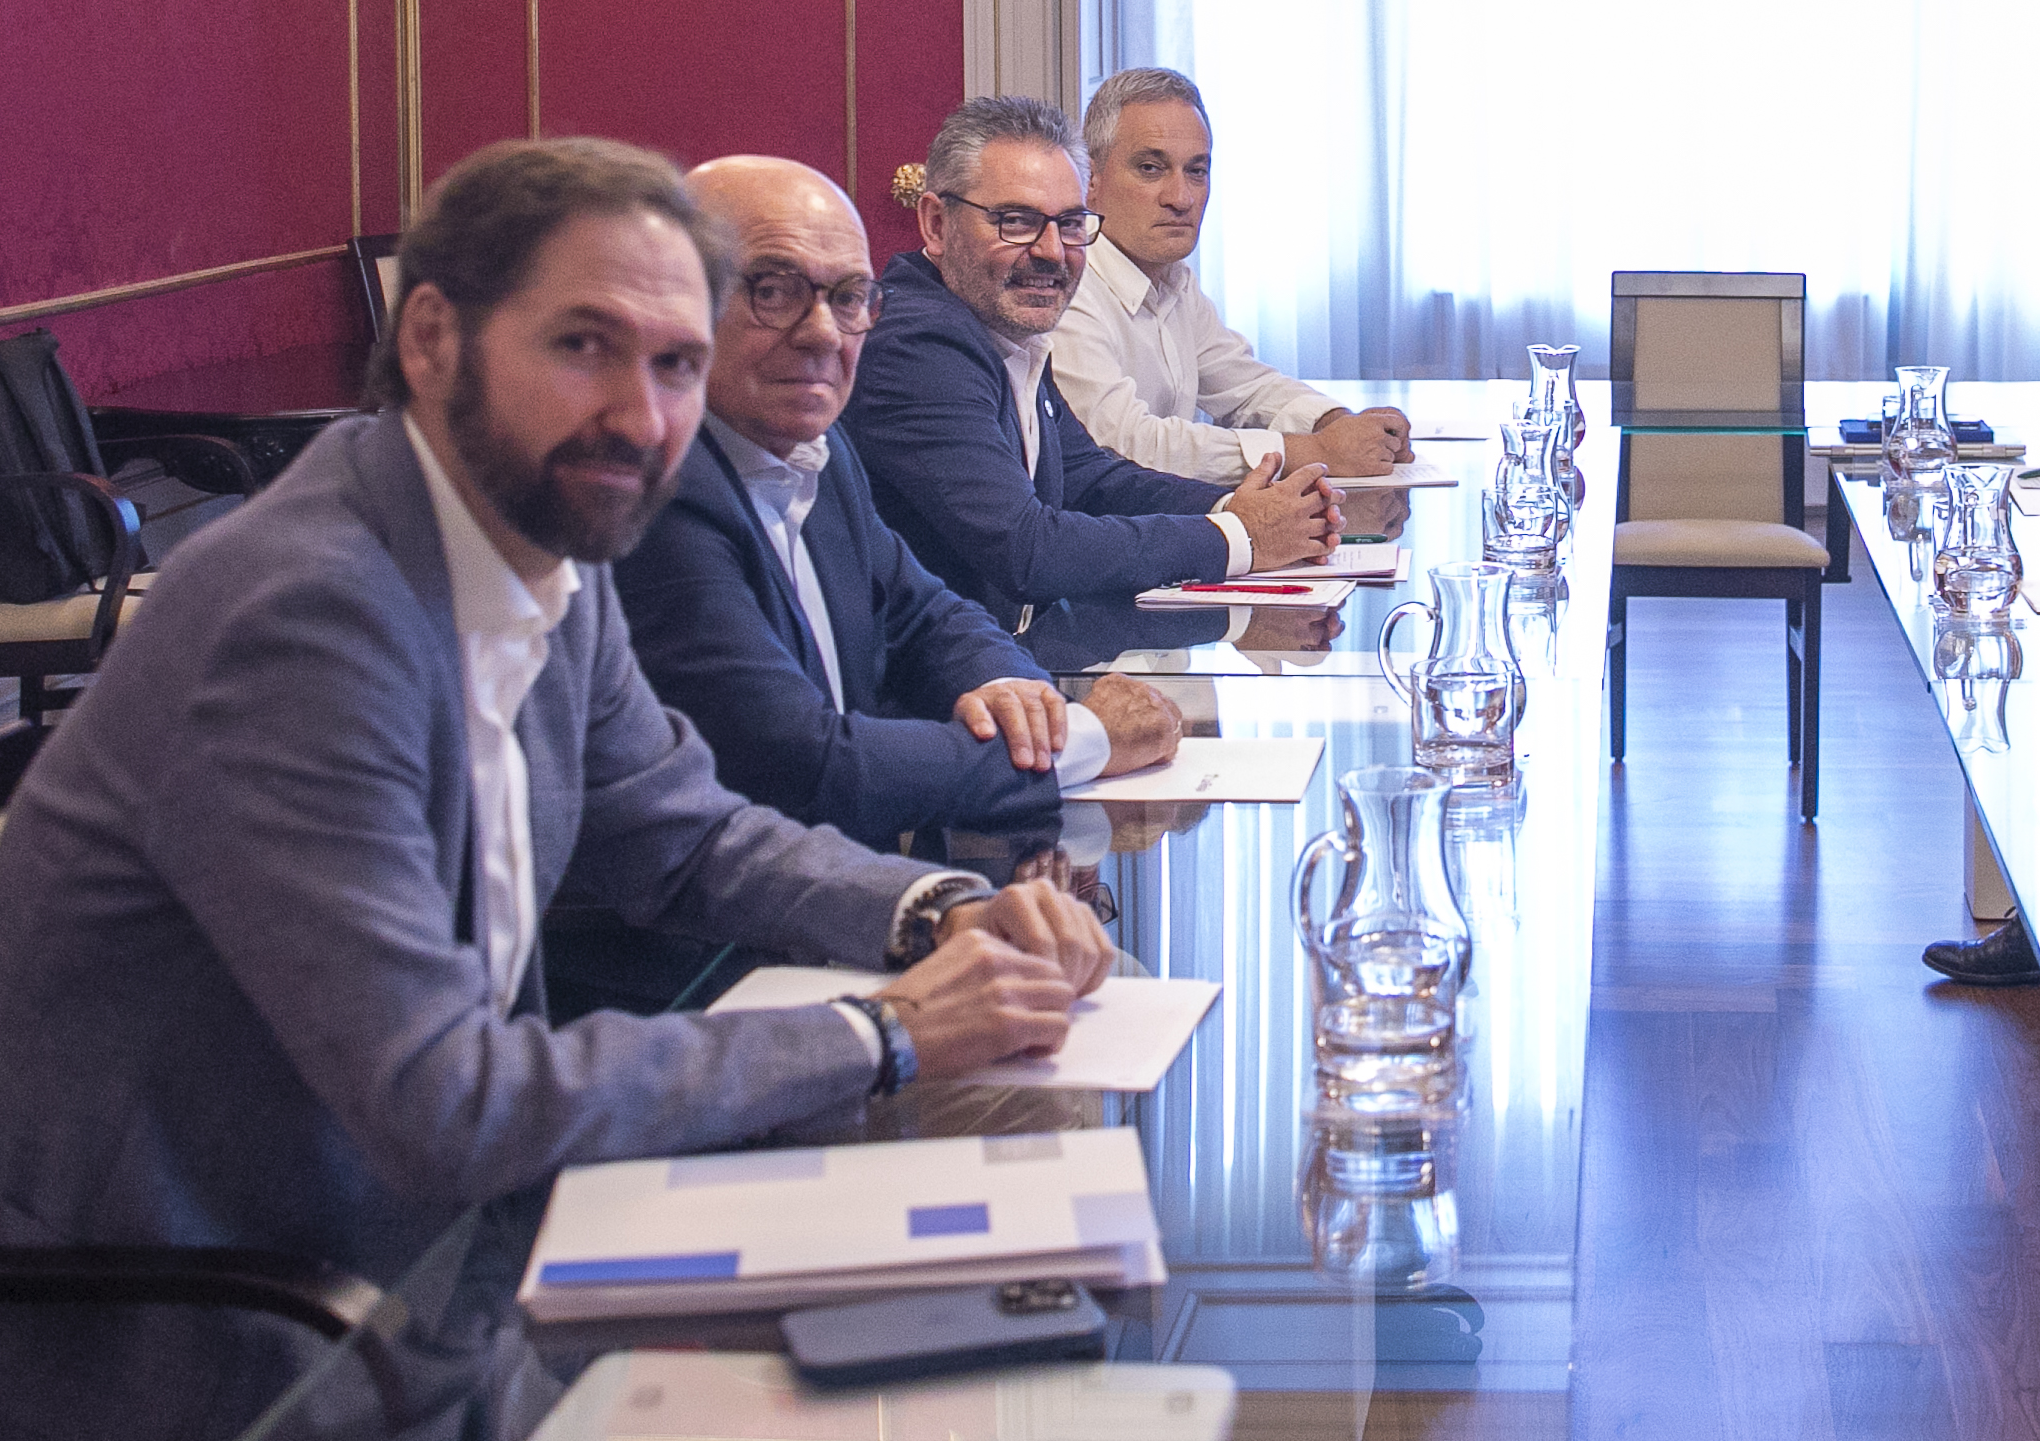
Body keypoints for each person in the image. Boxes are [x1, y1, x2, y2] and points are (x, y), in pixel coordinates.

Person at [0, 138, 1118, 1441]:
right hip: (219, 1387)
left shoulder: (530, 547)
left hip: (435, 1276)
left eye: (672, 364)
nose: (638, 416)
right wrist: (887, 1031)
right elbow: (447, 1102)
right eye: (583, 347)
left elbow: (686, 830)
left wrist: (936, 916)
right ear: (433, 336)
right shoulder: (305, 618)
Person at [542, 155, 1195, 1019]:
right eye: (773, 290)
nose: (820, 333)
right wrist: (1079, 738)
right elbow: (806, 766)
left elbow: (917, 605)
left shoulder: (813, 442)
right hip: (664, 985)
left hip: (819, 915)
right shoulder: (659, 488)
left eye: (848, 298)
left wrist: (1012, 688)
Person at [852, 95, 1341, 619]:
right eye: (1015, 221)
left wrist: (1233, 507)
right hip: (942, 684)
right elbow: (1029, 551)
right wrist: (1236, 538)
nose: (1051, 252)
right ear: (936, 224)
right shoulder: (918, 344)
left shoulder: (998, 321)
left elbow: (1090, 478)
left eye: (1068, 224)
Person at [1051, 67, 1415, 481]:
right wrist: (1315, 450)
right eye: (1151, 168)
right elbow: (1125, 445)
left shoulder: (1172, 278)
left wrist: (1339, 424)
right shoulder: (1066, 283)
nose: (1181, 198)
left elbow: (1247, 387)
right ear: (1090, 180)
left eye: (1196, 171)